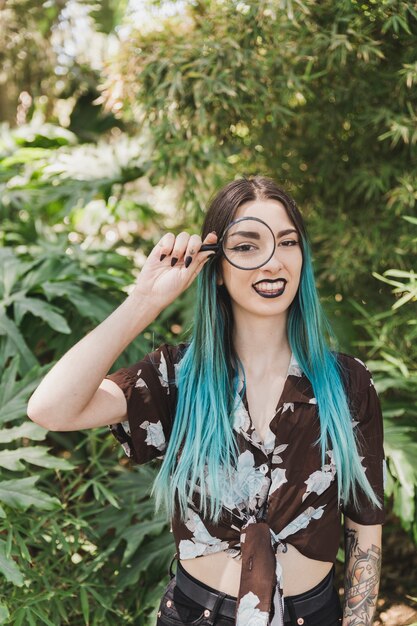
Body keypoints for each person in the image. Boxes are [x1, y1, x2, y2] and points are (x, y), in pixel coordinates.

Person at [27, 176, 385, 626]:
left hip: (311, 615)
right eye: (248, 246)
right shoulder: (177, 378)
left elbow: (364, 530)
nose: (272, 262)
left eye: (288, 242)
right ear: (216, 267)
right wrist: (144, 301)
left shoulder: (347, 383)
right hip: (197, 614)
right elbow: (50, 408)